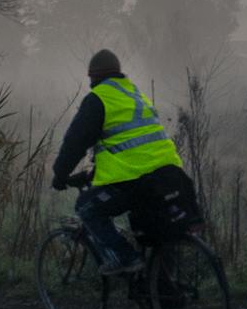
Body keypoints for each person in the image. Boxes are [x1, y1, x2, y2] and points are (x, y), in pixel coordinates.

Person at [50, 49, 200, 274]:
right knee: (157, 232)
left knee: (87, 208)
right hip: (168, 175)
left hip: (137, 180)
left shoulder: (98, 98)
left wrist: (60, 175)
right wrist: (94, 172)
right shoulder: (134, 94)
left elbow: (75, 142)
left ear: (93, 76)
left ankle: (125, 258)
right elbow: (129, 145)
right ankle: (160, 293)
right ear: (118, 73)